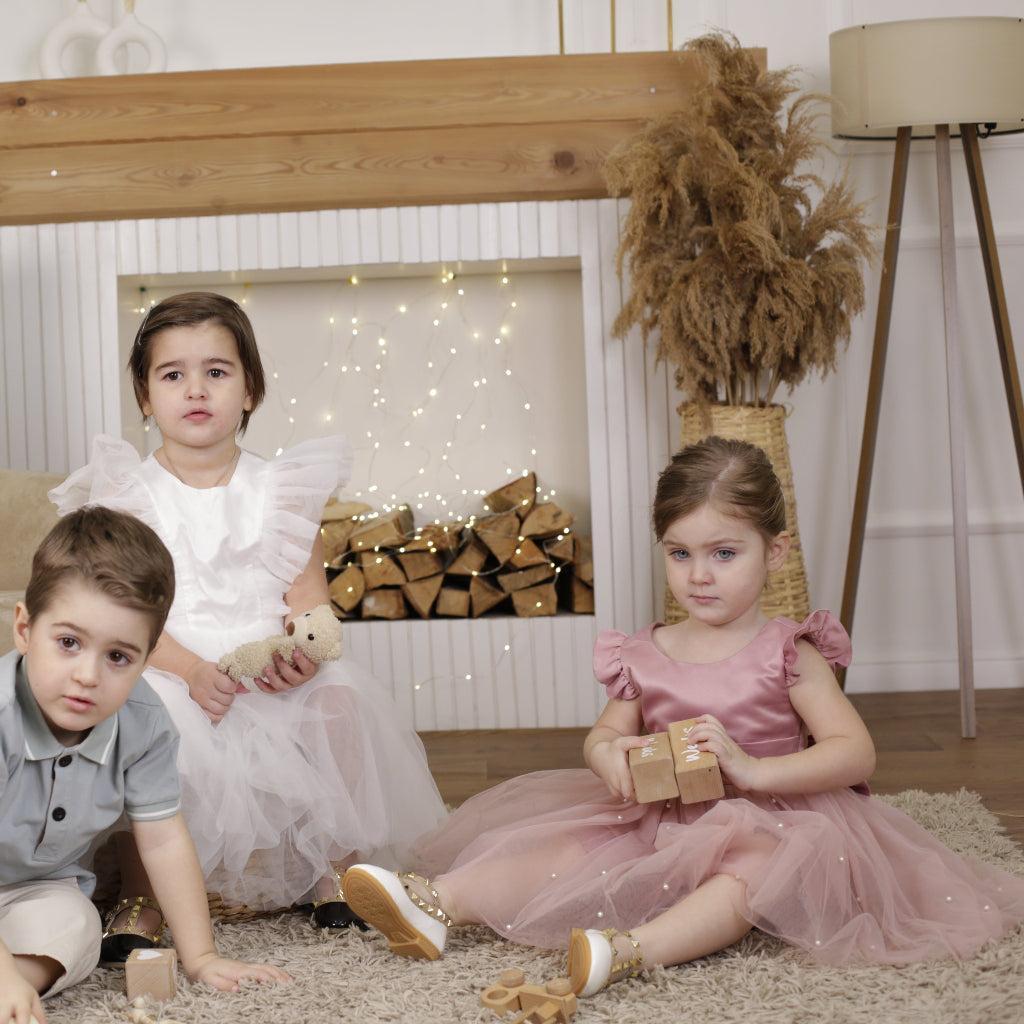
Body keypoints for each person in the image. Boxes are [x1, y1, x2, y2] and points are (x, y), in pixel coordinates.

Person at [341, 436, 1024, 997]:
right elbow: (606, 732)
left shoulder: (788, 651)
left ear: (775, 552)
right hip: (663, 814)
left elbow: (854, 751)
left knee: (753, 872)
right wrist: (608, 756)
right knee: (570, 846)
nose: (699, 575)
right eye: (680, 553)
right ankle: (436, 902)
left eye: (724, 553)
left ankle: (630, 950)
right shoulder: (647, 652)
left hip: (777, 816)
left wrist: (752, 770)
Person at [50, 292, 445, 963]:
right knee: (150, 723)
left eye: (217, 371)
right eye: (172, 374)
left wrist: (303, 654)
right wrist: (189, 670)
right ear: (145, 397)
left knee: (340, 702)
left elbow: (308, 601)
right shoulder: (129, 497)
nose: (195, 389)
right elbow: (124, 618)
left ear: (250, 389)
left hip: (264, 668)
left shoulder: (280, 490)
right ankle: (145, 891)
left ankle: (334, 870)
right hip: (168, 663)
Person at [0, 507, 290, 1024]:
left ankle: (16, 984)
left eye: (118, 656)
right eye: (68, 643)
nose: (87, 675)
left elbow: (162, 840)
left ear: (146, 657)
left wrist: (201, 957)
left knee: (78, 928)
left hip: (34, 888)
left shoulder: (145, 722)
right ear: (24, 629)